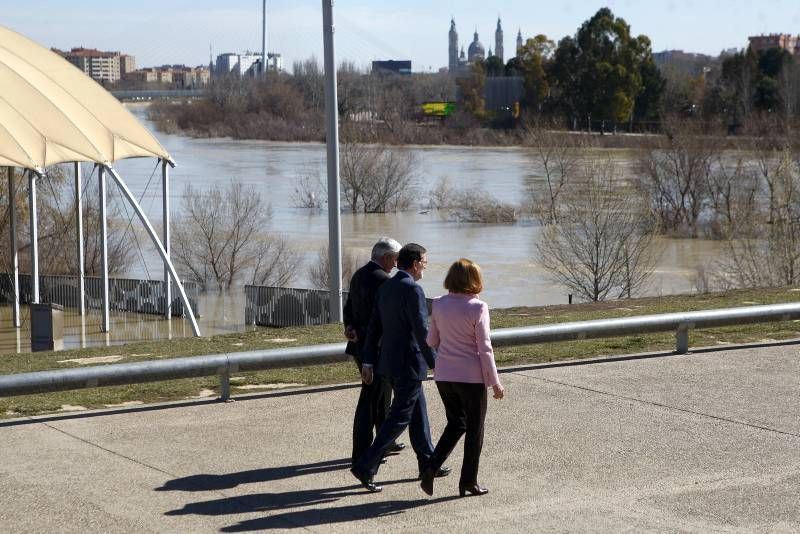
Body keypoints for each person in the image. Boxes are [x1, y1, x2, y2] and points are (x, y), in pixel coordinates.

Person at [350, 243, 450, 492]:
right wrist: (437, 364)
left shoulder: (387, 286)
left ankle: (428, 463)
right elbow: (422, 330)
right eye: (424, 263)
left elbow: (374, 327)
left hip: (390, 363)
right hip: (409, 364)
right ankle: (366, 465)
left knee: (418, 413)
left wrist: (369, 360)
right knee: (399, 418)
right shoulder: (412, 289)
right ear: (415, 264)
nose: (425, 267)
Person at [420, 258, 504, 498]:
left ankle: (430, 466)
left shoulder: (438, 304)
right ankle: (468, 481)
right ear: (474, 280)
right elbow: (485, 348)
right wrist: (495, 383)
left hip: (444, 374)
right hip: (470, 377)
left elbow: (431, 341)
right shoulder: (478, 308)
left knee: (457, 423)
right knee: (474, 428)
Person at [343, 237, 405, 465]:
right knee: (377, 398)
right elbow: (380, 318)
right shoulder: (383, 280)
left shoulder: (359, 274)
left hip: (359, 344)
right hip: (375, 348)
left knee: (380, 397)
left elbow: (349, 306)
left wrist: (349, 327)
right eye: (396, 259)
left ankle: (385, 440)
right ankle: (375, 447)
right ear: (387, 257)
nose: (397, 263)